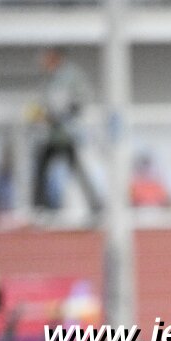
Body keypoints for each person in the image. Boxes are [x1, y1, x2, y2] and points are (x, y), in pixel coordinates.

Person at [32, 47, 102, 217]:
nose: (44, 62)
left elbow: (82, 98)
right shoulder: (48, 78)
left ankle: (96, 206)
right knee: (41, 167)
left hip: (67, 133)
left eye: (47, 58)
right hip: (51, 134)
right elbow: (44, 102)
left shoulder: (71, 76)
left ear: (56, 57)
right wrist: (42, 115)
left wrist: (64, 113)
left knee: (76, 168)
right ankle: (40, 207)